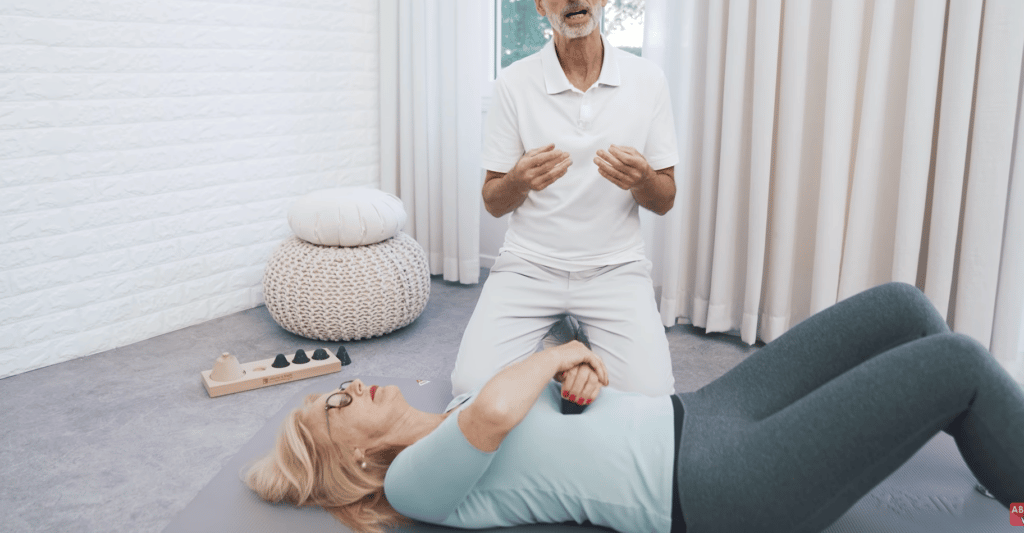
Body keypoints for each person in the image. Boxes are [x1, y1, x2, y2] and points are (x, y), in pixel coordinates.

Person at [246, 282, 1024, 533]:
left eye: (339, 384)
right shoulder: (413, 482)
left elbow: (539, 413)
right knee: (954, 363)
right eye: (335, 404)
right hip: (719, 483)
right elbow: (493, 419)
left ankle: (1002, 457)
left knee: (902, 308)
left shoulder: (456, 406)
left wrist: (583, 379)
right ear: (350, 458)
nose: (355, 385)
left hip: (707, 410)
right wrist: (560, 351)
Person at [452, 0, 680, 397]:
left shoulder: (648, 79)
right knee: (470, 389)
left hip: (615, 268)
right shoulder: (513, 83)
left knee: (651, 397)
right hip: (529, 266)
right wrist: (519, 180)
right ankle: (563, 346)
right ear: (540, 6)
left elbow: (664, 200)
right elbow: (493, 201)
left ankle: (570, 338)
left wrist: (643, 178)